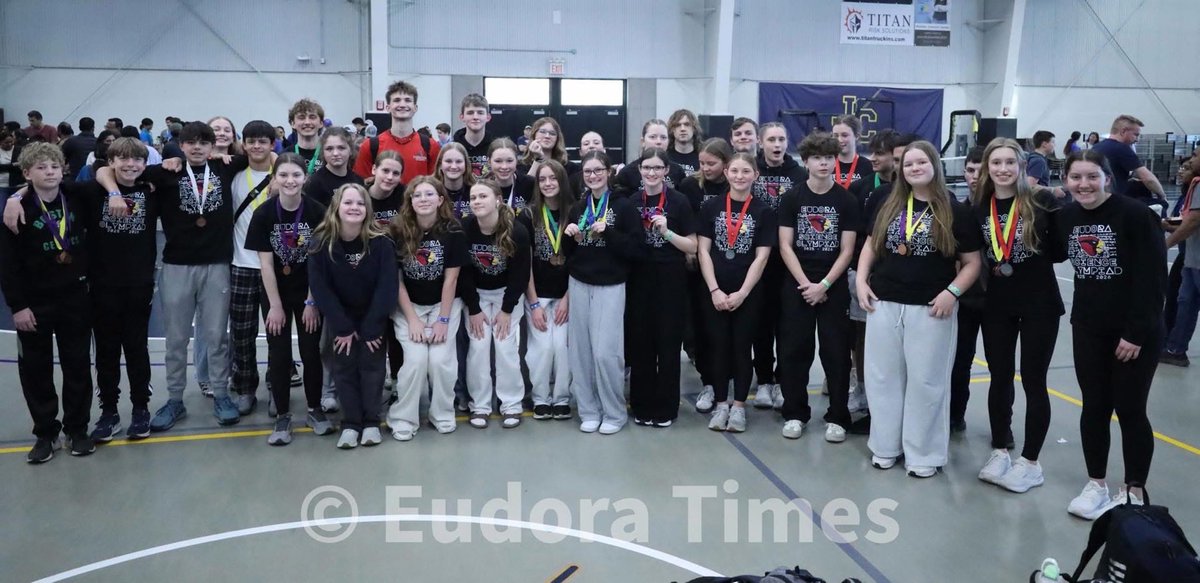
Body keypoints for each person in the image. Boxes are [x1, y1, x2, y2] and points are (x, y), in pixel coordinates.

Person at [96, 122, 249, 431]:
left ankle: (221, 394)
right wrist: (113, 191)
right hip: (177, 266)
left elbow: (269, 156)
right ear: (181, 145)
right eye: (190, 142)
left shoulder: (226, 168)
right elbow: (103, 169)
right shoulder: (165, 172)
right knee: (176, 339)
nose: (196, 148)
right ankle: (175, 399)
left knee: (217, 337)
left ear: (211, 146)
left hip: (217, 265)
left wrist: (228, 153)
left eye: (203, 143)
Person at [855, 140, 983, 478]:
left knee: (927, 381)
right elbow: (870, 244)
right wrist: (861, 282)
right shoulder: (886, 201)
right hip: (883, 302)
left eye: (921, 162)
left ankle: (923, 454)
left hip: (930, 308)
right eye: (908, 164)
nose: (914, 168)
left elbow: (971, 263)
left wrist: (952, 293)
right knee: (882, 378)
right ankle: (885, 446)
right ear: (901, 169)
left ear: (934, 166)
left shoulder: (955, 210)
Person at [1057, 150, 1167, 519]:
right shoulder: (1068, 217)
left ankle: (1134, 488)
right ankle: (1096, 483)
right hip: (1088, 327)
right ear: (1066, 181)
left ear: (1107, 178)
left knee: (1130, 409)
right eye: (1076, 178)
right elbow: (1047, 249)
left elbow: (1153, 281)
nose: (1084, 185)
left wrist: (1135, 333)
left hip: (1135, 332)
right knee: (1094, 407)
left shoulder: (1135, 216)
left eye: (1092, 177)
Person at [972, 138, 1064, 494]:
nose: (1003, 169)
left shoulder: (1042, 201)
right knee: (999, 376)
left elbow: (1057, 252)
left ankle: (1030, 461)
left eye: (1010, 162)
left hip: (1040, 302)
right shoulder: (981, 204)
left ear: (1022, 166)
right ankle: (999, 449)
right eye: (996, 163)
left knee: (1034, 379)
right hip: (997, 302)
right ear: (987, 168)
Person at [0, 143, 95, 462]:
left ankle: (77, 429)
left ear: (63, 169)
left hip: (75, 298)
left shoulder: (77, 197)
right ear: (26, 173)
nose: (49, 172)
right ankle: (45, 432)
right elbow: (7, 264)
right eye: (40, 168)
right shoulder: (16, 209)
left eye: (54, 166)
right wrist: (17, 306)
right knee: (36, 369)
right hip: (34, 303)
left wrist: (17, 192)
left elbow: (103, 174)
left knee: (78, 365)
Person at [776, 133, 860, 442]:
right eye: (817, 158)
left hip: (832, 286)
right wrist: (806, 284)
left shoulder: (846, 200)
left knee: (836, 353)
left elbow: (847, 249)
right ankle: (795, 412)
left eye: (828, 157)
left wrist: (823, 284)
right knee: (794, 351)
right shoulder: (792, 198)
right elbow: (785, 246)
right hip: (798, 285)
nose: (823, 163)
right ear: (806, 161)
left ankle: (838, 416)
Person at [245, 153, 330, 445]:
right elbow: (266, 265)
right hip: (276, 293)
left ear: (305, 178)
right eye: (284, 175)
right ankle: (282, 415)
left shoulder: (317, 212)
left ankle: (314, 408)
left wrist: (311, 302)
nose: (290, 181)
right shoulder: (264, 214)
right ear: (274, 179)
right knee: (278, 354)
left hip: (308, 291)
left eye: (296, 175)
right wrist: (275, 307)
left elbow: (319, 262)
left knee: (310, 352)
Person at [308, 183, 398, 448]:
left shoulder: (381, 243)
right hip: (340, 319)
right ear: (337, 207)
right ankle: (351, 422)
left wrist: (372, 326)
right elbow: (320, 288)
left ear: (367, 209)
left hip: (373, 317)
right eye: (348, 203)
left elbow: (387, 286)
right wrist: (343, 327)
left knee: (372, 368)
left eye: (360, 203)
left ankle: (371, 421)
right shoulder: (321, 243)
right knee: (344, 367)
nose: (354, 208)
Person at [83, 138, 160, 442]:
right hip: (102, 285)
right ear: (111, 161)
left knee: (137, 348)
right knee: (106, 351)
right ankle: (109, 411)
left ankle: (141, 408)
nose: (130, 165)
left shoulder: (150, 190)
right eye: (123, 159)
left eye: (137, 160)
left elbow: (171, 168)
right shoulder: (93, 190)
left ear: (145, 164)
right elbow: (52, 187)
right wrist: (14, 198)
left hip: (139, 284)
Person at [564, 151, 644, 434]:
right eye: (588, 172)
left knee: (606, 353)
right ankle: (588, 410)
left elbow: (636, 250)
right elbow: (568, 255)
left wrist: (608, 232)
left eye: (598, 170)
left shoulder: (624, 207)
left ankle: (613, 412)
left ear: (609, 172)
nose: (593, 176)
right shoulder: (577, 207)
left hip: (611, 285)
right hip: (580, 283)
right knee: (581, 352)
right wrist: (569, 236)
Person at [698, 152, 775, 433]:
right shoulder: (712, 207)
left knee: (742, 348)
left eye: (746, 171)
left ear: (755, 175)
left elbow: (762, 257)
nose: (740, 176)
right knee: (718, 347)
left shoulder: (764, 211)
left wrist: (743, 292)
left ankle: (739, 406)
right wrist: (714, 290)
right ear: (726, 173)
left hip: (748, 292)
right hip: (716, 289)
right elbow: (703, 251)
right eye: (735, 171)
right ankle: (720, 404)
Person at [387, 177, 466, 439]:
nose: (423, 199)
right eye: (417, 195)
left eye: (429, 194)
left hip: (444, 305)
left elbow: (451, 278)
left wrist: (443, 320)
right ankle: (403, 418)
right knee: (417, 360)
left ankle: (442, 413)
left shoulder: (453, 230)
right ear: (410, 201)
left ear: (440, 200)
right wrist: (412, 319)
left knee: (442, 361)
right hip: (408, 305)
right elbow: (396, 281)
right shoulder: (397, 230)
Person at [626, 147, 697, 427]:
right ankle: (641, 405)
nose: (652, 173)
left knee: (668, 345)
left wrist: (667, 232)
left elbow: (692, 245)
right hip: (640, 279)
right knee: (641, 345)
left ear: (666, 170)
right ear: (640, 170)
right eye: (647, 168)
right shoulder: (632, 201)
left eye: (657, 168)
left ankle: (666, 407)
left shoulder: (679, 202)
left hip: (671, 279)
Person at [460, 180, 532, 429]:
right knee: (478, 347)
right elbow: (464, 273)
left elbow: (520, 275)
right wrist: (474, 308)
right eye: (473, 197)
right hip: (477, 294)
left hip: (506, 294)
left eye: (483, 196)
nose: (477, 201)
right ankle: (479, 406)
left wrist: (507, 311)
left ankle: (511, 404)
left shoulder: (517, 231)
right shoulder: (466, 228)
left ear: (498, 200)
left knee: (505, 346)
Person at [750, 122, 807, 411]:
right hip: (758, 258)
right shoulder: (751, 169)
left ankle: (784, 380)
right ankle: (763, 381)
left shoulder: (800, 174)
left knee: (787, 325)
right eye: (771, 139)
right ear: (760, 142)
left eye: (782, 139)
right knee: (762, 323)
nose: (777, 144)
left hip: (789, 260)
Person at [226, 121, 280, 414]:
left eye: (263, 141)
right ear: (243, 144)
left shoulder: (283, 175)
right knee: (242, 333)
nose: (257, 146)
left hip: (274, 266)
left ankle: (276, 385)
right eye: (251, 141)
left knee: (276, 332)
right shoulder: (232, 175)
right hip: (241, 265)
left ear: (273, 144)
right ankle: (245, 387)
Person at [520, 160, 577, 421]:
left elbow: (580, 259)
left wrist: (568, 299)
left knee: (562, 347)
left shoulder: (575, 212)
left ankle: (562, 398)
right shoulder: (528, 215)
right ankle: (541, 398)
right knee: (542, 348)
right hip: (537, 294)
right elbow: (525, 264)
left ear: (562, 180)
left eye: (553, 178)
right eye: (542, 179)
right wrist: (533, 304)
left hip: (568, 293)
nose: (548, 183)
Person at [679, 138, 734, 412]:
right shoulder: (690, 185)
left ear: (726, 163)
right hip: (696, 266)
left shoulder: (734, 185)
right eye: (702, 163)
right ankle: (709, 382)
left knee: (727, 331)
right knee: (698, 330)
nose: (705, 168)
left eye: (711, 163)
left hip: (730, 266)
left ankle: (728, 379)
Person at [354, 81, 441, 183]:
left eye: (408, 100)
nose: (402, 104)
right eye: (397, 100)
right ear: (388, 107)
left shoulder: (431, 146)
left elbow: (436, 185)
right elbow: (361, 185)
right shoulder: (370, 146)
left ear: (415, 108)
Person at [1162, 159, 1200, 367]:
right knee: (1185, 303)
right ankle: (1175, 349)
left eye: (1196, 155)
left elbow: (1193, 220)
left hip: (1195, 259)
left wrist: (1166, 244)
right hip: (1192, 259)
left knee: (1186, 302)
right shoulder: (1193, 186)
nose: (1192, 159)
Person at [1091, 114, 1166, 199]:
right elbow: (1148, 179)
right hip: (1112, 201)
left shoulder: (1097, 147)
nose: (1137, 139)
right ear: (1123, 131)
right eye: (1135, 135)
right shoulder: (1122, 148)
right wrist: (1162, 196)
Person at [615, 120, 687, 194]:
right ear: (642, 141)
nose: (659, 141)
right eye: (653, 137)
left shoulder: (678, 171)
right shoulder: (627, 173)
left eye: (663, 137)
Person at [303, 126, 364, 208]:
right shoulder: (314, 183)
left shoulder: (358, 181)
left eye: (341, 148)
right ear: (323, 152)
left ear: (350, 150)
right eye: (329, 149)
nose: (335, 153)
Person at [485, 138, 534, 214]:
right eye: (498, 161)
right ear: (489, 162)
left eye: (509, 161)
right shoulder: (482, 188)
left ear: (516, 161)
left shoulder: (530, 184)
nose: (504, 166)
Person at [452, 93, 493, 177]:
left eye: (480, 113)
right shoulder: (452, 148)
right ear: (462, 117)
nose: (475, 117)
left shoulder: (495, 148)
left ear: (488, 117)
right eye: (470, 113)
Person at [433, 142, 475, 220]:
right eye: (448, 161)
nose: (453, 166)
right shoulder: (431, 192)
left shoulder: (476, 191)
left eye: (459, 161)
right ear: (440, 165)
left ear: (466, 165)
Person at [287, 100, 326, 175]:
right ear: (293, 123)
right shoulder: (284, 155)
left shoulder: (330, 154)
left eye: (312, 117)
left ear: (321, 123)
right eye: (301, 117)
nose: (307, 122)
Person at [831, 115, 870, 187]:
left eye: (844, 135)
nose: (839, 140)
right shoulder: (827, 164)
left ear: (857, 136)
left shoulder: (868, 166)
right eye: (836, 136)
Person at [667, 109, 703, 174]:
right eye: (678, 125)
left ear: (694, 128)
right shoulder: (665, 156)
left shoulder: (703, 156)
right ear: (672, 130)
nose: (682, 129)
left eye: (687, 124)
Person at [0, 130, 24, 196]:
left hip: (18, 185)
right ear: (0, 142)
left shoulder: (19, 150)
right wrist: (13, 165)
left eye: (11, 141)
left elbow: (23, 165)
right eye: (6, 142)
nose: (10, 144)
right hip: (2, 185)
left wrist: (5, 167)